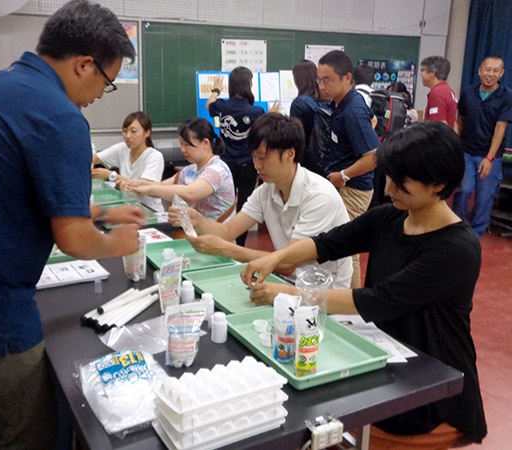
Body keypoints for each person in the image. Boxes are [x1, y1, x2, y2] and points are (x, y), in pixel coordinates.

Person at [0, 2, 142, 449]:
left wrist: (100, 213)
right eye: (108, 82)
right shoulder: (58, 115)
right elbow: (72, 239)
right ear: (83, 64)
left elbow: (13, 195)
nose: (100, 94)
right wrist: (117, 243)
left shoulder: (4, 86)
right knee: (34, 432)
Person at [242, 121, 487, 449]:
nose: (389, 190)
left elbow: (378, 300)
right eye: (389, 179)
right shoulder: (388, 219)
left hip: (432, 387)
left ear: (438, 183)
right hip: (385, 365)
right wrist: (275, 258)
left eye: (401, 184)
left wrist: (289, 293)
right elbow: (326, 243)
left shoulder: (457, 249)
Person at [170, 113, 352, 304]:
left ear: (290, 154)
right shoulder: (267, 190)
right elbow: (228, 231)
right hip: (285, 282)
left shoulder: (319, 196)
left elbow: (288, 264)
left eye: (263, 157)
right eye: (254, 157)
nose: (257, 165)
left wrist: (227, 249)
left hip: (323, 296)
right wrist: (197, 220)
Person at [317, 50, 380, 288]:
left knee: (347, 246)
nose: (322, 86)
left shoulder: (352, 111)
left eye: (328, 80)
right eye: (319, 80)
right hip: (343, 184)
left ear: (347, 78)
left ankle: (351, 303)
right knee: (345, 243)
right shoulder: (342, 103)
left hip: (353, 188)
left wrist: (343, 175)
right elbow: (372, 121)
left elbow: (374, 157)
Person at [124, 118, 235, 223]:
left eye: (187, 145)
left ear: (205, 143)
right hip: (197, 232)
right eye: (181, 144)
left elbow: (189, 193)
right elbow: (162, 186)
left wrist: (149, 189)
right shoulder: (190, 169)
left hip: (217, 237)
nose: (183, 149)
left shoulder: (217, 170)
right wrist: (137, 184)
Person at [452, 56, 512, 237]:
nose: (490, 74)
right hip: (466, 152)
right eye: (487, 69)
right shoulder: (468, 93)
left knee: (484, 197)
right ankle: (455, 228)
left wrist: (489, 158)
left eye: (495, 70)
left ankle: (474, 233)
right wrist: (454, 145)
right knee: (464, 190)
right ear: (479, 71)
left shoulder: (506, 97)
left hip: (490, 154)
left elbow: (500, 129)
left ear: (501, 73)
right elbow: (460, 120)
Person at [206, 66, 265, 245]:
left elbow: (209, 105)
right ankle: (239, 246)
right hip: (247, 166)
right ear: (248, 85)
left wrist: (216, 89)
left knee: (223, 206)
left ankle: (222, 241)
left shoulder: (222, 106)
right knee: (244, 209)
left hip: (225, 167)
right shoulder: (256, 112)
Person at [92, 111, 164, 212]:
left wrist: (111, 175)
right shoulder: (122, 148)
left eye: (133, 131)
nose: (128, 136)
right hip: (129, 207)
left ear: (147, 133)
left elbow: (144, 187)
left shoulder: (154, 156)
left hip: (150, 211)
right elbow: (93, 159)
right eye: (125, 131)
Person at [289, 59, 325, 175]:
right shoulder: (324, 99)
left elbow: (295, 137)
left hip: (306, 162)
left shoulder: (299, 104)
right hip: (323, 158)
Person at [420, 55, 458, 129]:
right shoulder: (448, 91)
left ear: (432, 72)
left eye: (423, 70)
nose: (421, 74)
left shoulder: (438, 93)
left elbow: (438, 126)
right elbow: (454, 123)